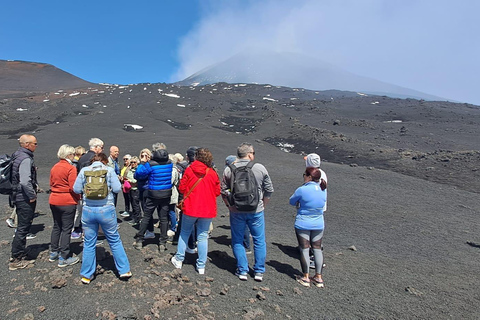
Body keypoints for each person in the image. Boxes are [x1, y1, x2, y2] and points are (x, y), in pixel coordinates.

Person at [73, 153, 131, 284]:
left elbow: (76, 189)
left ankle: (86, 275)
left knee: (89, 242)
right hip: (106, 209)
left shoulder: (84, 171)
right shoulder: (109, 170)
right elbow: (117, 189)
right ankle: (124, 270)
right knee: (114, 240)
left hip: (88, 210)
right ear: (104, 161)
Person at [221, 143, 274, 282]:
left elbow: (223, 191)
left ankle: (242, 270)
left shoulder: (229, 170)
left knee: (237, 240)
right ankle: (258, 271)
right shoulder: (259, 167)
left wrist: (229, 205)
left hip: (236, 210)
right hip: (256, 210)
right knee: (259, 240)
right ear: (250, 154)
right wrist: (263, 204)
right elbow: (269, 189)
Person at [171, 148, 220, 274]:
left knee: (184, 232)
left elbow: (182, 188)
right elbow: (217, 192)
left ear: (196, 157)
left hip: (191, 207)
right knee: (203, 236)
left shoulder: (190, 170)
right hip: (207, 209)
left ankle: (179, 259)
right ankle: (201, 265)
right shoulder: (212, 173)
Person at [289, 167, 327, 288]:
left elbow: (291, 201)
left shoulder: (302, 190)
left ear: (309, 177)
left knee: (305, 249)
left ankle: (305, 277)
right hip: (318, 223)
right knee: (317, 248)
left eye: (304, 175)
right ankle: (318, 277)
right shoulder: (323, 189)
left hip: (303, 223)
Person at [133, 148, 174, 252]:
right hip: (166, 193)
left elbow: (138, 174)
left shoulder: (151, 165)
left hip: (153, 194)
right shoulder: (169, 164)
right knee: (164, 218)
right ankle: (162, 242)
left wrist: (142, 162)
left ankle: (139, 240)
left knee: (147, 216)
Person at [8, 134, 39, 270]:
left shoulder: (17, 155)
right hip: (24, 197)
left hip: (17, 195)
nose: (36, 146)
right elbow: (25, 180)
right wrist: (32, 195)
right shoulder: (25, 158)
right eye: (34, 143)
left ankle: (17, 253)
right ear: (27, 144)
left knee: (21, 227)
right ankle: (16, 259)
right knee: (23, 228)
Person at [48, 144, 81, 267]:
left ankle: (54, 252)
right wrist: (78, 197)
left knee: (57, 226)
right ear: (68, 155)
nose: (74, 157)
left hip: (54, 200)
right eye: (73, 154)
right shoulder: (71, 168)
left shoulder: (54, 167)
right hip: (67, 201)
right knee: (67, 229)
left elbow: (51, 183)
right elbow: (74, 187)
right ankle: (64, 256)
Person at [71, 138, 105, 239]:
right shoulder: (95, 158)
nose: (102, 150)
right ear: (96, 147)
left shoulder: (82, 158)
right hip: (94, 190)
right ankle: (91, 236)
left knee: (85, 213)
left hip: (83, 190)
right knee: (94, 214)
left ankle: (83, 232)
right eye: (101, 148)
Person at [304, 153, 328, 269]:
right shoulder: (322, 173)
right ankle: (315, 251)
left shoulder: (313, 175)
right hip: (320, 207)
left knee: (311, 231)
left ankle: (314, 256)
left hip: (313, 208)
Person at [124, 156, 142, 226]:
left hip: (136, 189)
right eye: (131, 162)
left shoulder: (138, 170)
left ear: (137, 163)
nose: (132, 163)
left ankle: (137, 219)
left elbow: (137, 180)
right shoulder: (130, 169)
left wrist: (130, 181)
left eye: (134, 162)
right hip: (130, 189)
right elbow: (126, 175)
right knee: (133, 204)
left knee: (136, 205)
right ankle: (135, 217)